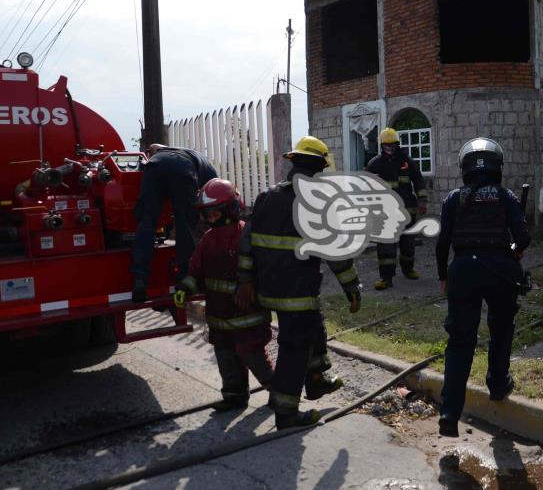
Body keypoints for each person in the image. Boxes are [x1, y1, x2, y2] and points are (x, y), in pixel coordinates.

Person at [236, 136, 362, 430]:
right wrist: (352, 288)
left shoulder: (266, 197)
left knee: (313, 326)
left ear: (293, 165)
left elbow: (247, 243)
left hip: (267, 290)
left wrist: (245, 279)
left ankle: (316, 381)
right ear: (319, 169)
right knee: (295, 347)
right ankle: (287, 413)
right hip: (297, 293)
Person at [435, 137, 530, 438]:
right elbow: (523, 238)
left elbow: (441, 244)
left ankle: (449, 414)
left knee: (460, 342)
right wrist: (513, 250)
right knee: (501, 330)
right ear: (497, 166)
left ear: (465, 168)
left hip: (462, 270)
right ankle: (498, 385)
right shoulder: (505, 196)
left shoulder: (453, 198)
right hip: (500, 269)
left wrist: (443, 277)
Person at [174, 178, 274, 411]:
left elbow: (262, 269)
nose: (210, 219)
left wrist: (251, 286)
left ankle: (278, 392)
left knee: (252, 354)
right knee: (225, 355)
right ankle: (234, 396)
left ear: (232, 208)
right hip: (219, 314)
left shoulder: (246, 235)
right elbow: (195, 269)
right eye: (207, 215)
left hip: (247, 312)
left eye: (215, 214)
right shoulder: (208, 238)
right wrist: (185, 287)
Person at [131, 144, 217, 303]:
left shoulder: (156, 156)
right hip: (182, 168)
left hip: (153, 167)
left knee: (147, 222)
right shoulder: (197, 157)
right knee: (185, 225)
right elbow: (215, 190)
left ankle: (140, 280)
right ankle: (184, 279)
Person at [366, 127, 428, 290]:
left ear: (397, 145)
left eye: (392, 145)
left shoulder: (407, 162)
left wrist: (422, 201)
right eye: (386, 145)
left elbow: (419, 181)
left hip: (408, 210)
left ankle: (408, 270)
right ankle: (386, 277)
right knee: (386, 246)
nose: (389, 148)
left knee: (408, 243)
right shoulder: (374, 164)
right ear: (381, 145)